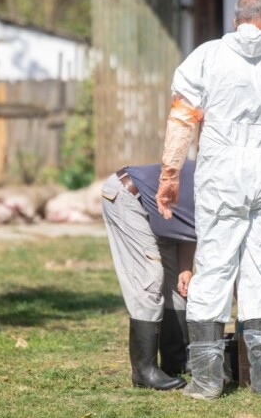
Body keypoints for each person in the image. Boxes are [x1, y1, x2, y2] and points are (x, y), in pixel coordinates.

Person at [155, 0, 261, 398]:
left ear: (236, 22)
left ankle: (207, 381)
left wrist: (170, 174)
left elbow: (183, 118)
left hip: (221, 171)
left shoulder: (207, 57)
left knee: (214, 265)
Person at [101, 161, 197, 390]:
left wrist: (186, 268)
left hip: (161, 212)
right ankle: (144, 372)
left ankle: (177, 360)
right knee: (150, 277)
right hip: (128, 195)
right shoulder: (217, 189)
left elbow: (190, 228)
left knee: (177, 282)